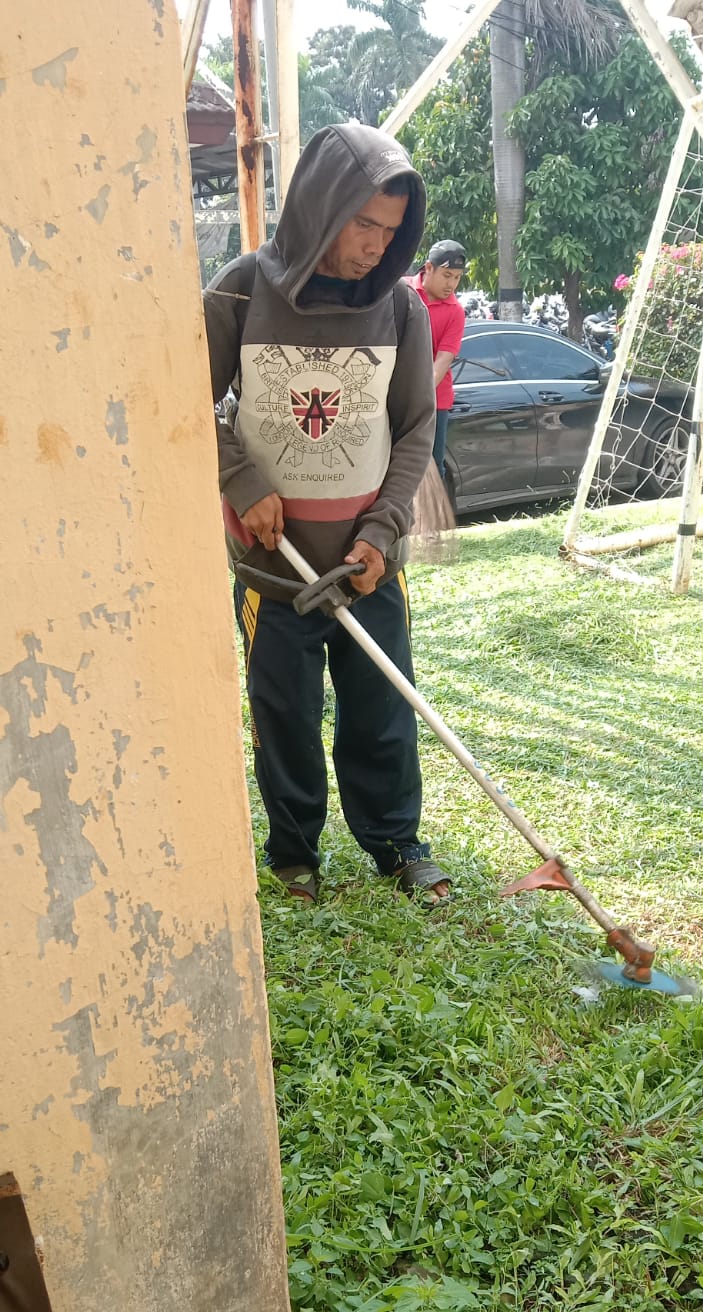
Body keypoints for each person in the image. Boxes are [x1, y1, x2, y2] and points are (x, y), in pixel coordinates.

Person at [203, 124, 450, 905]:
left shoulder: (402, 309)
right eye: (362, 223)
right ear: (318, 207)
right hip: (275, 568)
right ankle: (294, 854)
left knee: (382, 711)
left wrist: (382, 530)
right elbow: (186, 403)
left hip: (366, 566)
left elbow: (415, 429)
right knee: (285, 714)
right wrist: (241, 480)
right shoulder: (241, 290)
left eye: (391, 229)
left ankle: (397, 844)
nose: (377, 246)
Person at [408, 240, 467, 477]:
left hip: (434, 402)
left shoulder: (455, 312)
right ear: (428, 268)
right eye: (447, 275)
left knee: (432, 469)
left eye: (457, 277)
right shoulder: (402, 292)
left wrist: (414, 399)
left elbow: (441, 363)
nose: (451, 284)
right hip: (391, 398)